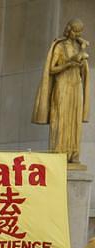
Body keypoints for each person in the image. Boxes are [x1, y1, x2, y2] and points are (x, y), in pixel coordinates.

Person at [33, 19, 90, 164]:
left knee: (74, 120)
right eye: (74, 31)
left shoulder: (79, 46)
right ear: (68, 29)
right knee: (60, 119)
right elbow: (51, 69)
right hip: (62, 85)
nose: (77, 34)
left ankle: (73, 154)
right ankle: (59, 153)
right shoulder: (59, 46)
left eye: (79, 32)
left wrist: (82, 52)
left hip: (76, 86)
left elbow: (83, 69)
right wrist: (69, 63)